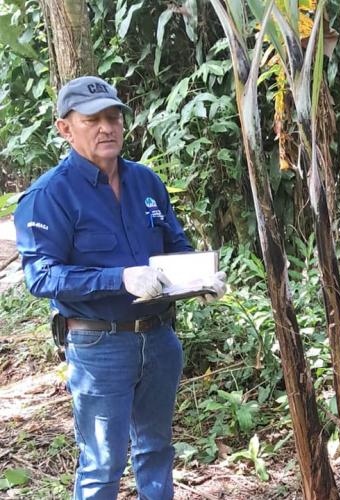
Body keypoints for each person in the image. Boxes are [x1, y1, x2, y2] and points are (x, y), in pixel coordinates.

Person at [13, 75, 226, 499]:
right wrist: (120, 277)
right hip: (99, 346)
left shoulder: (145, 182)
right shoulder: (50, 195)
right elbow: (41, 276)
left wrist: (199, 280)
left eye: (113, 118)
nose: (106, 128)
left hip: (159, 339)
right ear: (65, 128)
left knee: (157, 449)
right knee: (102, 464)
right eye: (92, 120)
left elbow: (176, 246)